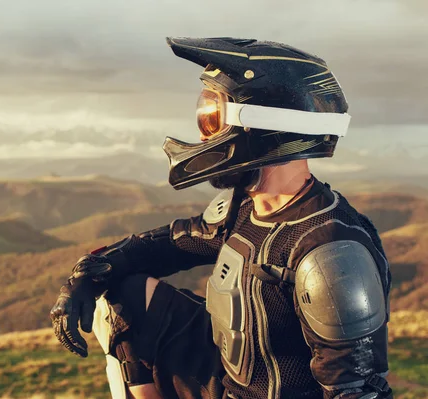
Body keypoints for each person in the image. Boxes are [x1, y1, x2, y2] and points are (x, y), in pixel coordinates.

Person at [50, 37, 392, 399]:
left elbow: (356, 391)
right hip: (227, 383)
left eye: (213, 118)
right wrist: (91, 271)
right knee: (124, 293)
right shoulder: (248, 207)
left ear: (263, 128)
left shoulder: (330, 252)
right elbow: (169, 244)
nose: (202, 134)